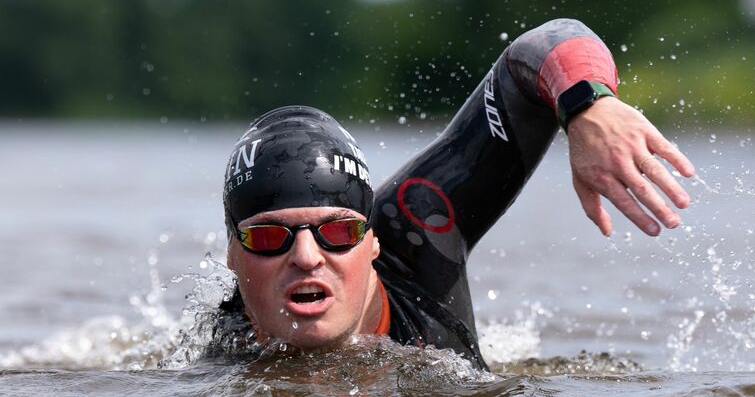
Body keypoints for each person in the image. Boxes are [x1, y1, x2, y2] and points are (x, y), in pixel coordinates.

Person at [219, 18, 695, 370]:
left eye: (338, 231)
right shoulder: (223, 352)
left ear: (374, 240)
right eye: (267, 239)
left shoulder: (416, 226)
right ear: (232, 258)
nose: (306, 256)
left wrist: (588, 104)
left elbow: (543, 44)